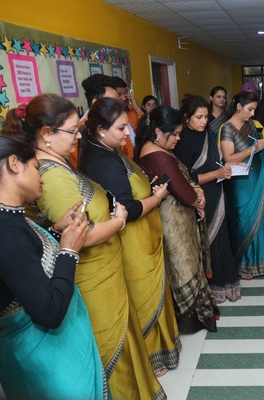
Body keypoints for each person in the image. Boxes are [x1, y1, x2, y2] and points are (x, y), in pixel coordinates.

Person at [3, 94, 165, 399]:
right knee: (110, 355)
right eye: (72, 130)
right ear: (47, 134)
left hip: (104, 274)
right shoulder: (50, 176)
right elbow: (82, 234)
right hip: (92, 280)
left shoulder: (58, 165)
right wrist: (118, 221)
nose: (79, 136)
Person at [0, 135, 107, 399]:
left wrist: (54, 231)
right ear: (14, 164)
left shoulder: (5, 215)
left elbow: (24, 265)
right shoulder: (2, 230)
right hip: (43, 362)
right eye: (36, 168)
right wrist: (69, 249)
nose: (41, 177)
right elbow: (49, 311)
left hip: (48, 355)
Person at [79, 97, 181, 376]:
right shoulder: (103, 160)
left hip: (141, 239)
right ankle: (150, 357)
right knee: (143, 297)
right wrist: (156, 198)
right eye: (122, 128)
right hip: (132, 240)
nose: (128, 133)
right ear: (101, 129)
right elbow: (130, 209)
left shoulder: (104, 149)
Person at [136, 103, 221, 331]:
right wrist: (199, 200)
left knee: (187, 262)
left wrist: (197, 192)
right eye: (174, 134)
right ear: (157, 132)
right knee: (182, 265)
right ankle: (189, 321)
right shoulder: (156, 155)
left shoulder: (158, 148)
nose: (177, 139)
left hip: (179, 218)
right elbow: (182, 191)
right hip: (172, 222)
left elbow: (184, 181)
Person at [172, 95, 242, 304]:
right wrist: (217, 174)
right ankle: (208, 290)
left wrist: (223, 171)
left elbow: (214, 163)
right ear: (186, 117)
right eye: (199, 117)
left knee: (221, 240)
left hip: (217, 191)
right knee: (206, 243)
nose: (204, 121)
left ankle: (225, 284)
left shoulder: (208, 134)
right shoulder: (182, 141)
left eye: (206, 117)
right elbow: (186, 179)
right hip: (199, 196)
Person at [220, 91, 264, 279]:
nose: (252, 114)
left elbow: (258, 150)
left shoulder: (250, 126)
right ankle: (244, 264)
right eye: (250, 109)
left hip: (254, 176)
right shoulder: (227, 129)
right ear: (238, 106)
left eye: (254, 109)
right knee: (243, 218)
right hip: (239, 182)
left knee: (259, 216)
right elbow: (228, 158)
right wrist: (252, 149)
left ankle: (261, 261)